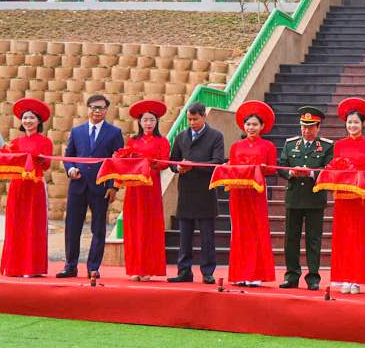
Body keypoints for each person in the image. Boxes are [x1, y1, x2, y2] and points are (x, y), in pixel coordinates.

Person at [58, 93, 124, 278]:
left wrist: (113, 186)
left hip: (101, 187)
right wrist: (71, 170)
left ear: (106, 110)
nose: (97, 111)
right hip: (77, 186)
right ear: (88, 109)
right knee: (72, 227)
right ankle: (70, 265)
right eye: (94, 107)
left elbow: (117, 161)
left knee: (98, 229)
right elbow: (68, 156)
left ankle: (93, 267)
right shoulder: (77, 131)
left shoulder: (114, 133)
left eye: (101, 108)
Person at [167, 102, 225, 284]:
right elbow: (172, 161)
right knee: (185, 236)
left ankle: (207, 271)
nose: (192, 123)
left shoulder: (216, 136)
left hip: (206, 192)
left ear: (204, 117)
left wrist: (192, 166)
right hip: (186, 192)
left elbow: (217, 162)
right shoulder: (181, 137)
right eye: (189, 119)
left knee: (207, 237)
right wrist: (178, 167)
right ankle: (184, 271)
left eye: (195, 119)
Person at [276, 106, 333, 290]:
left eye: (310, 127)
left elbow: (329, 170)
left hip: (315, 198)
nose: (306, 131)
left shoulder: (326, 146)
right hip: (294, 197)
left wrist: (310, 174)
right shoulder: (291, 144)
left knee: (313, 239)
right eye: (303, 126)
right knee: (291, 238)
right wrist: (291, 172)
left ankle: (313, 277)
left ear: (318, 128)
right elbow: (281, 165)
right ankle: (292, 275)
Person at [114, 99, 170, 282]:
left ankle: (148, 268)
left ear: (156, 122)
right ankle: (135, 268)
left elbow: (165, 163)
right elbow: (124, 162)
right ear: (139, 122)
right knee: (134, 226)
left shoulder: (162, 141)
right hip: (134, 188)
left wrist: (152, 163)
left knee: (149, 227)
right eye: (145, 120)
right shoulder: (132, 141)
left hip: (151, 188)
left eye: (151, 120)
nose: (148, 124)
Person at [327, 97, 365, 295]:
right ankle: (342, 277)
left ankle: (357, 279)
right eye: (349, 122)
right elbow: (335, 168)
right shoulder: (338, 145)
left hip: (361, 198)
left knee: (359, 237)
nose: (352, 125)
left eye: (356, 122)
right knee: (342, 237)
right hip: (342, 197)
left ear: (363, 124)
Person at [225, 100, 278, 287]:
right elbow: (231, 168)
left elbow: (272, 169)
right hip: (238, 194)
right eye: (248, 124)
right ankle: (240, 274)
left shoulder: (268, 146)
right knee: (239, 231)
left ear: (262, 126)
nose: (251, 127)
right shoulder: (236, 147)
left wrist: (262, 168)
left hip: (256, 193)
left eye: (255, 124)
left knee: (256, 230)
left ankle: (255, 274)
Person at [0, 98, 53, 277]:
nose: (27, 121)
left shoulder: (45, 141)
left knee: (34, 224)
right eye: (25, 118)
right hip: (18, 186)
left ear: (39, 121)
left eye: (31, 118)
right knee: (16, 224)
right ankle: (14, 267)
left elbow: (46, 166)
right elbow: (7, 162)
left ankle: (32, 267)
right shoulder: (15, 142)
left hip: (35, 186)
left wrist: (39, 158)